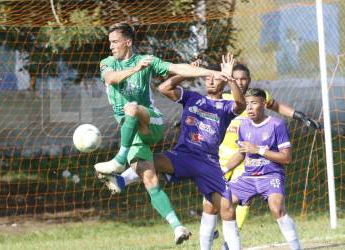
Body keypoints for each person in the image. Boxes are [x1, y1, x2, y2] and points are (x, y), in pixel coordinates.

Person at [94, 22, 231, 244]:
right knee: (149, 178)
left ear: (128, 42)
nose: (111, 47)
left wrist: (210, 71)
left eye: (115, 42)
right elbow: (112, 79)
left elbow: (177, 68)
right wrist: (134, 70)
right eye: (110, 42)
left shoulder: (146, 61)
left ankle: (119, 161)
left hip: (151, 121)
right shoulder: (107, 63)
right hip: (133, 132)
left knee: (132, 108)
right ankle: (178, 227)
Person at [217, 63, 321, 230]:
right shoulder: (224, 98)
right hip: (222, 154)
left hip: (245, 154)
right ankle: (213, 230)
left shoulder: (259, 97)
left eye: (243, 79)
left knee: (244, 199)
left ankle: (233, 235)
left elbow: (278, 106)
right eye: (236, 79)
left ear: (249, 80)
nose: (240, 82)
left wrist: (299, 116)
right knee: (213, 200)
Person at [225, 88, 301, 250]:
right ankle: (230, 246)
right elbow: (241, 153)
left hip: (271, 175)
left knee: (276, 208)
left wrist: (259, 150)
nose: (249, 107)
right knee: (224, 203)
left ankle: (296, 246)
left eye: (253, 103)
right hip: (248, 178)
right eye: (246, 104)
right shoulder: (243, 125)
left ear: (264, 104)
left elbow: (286, 158)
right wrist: (224, 169)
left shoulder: (276, 124)